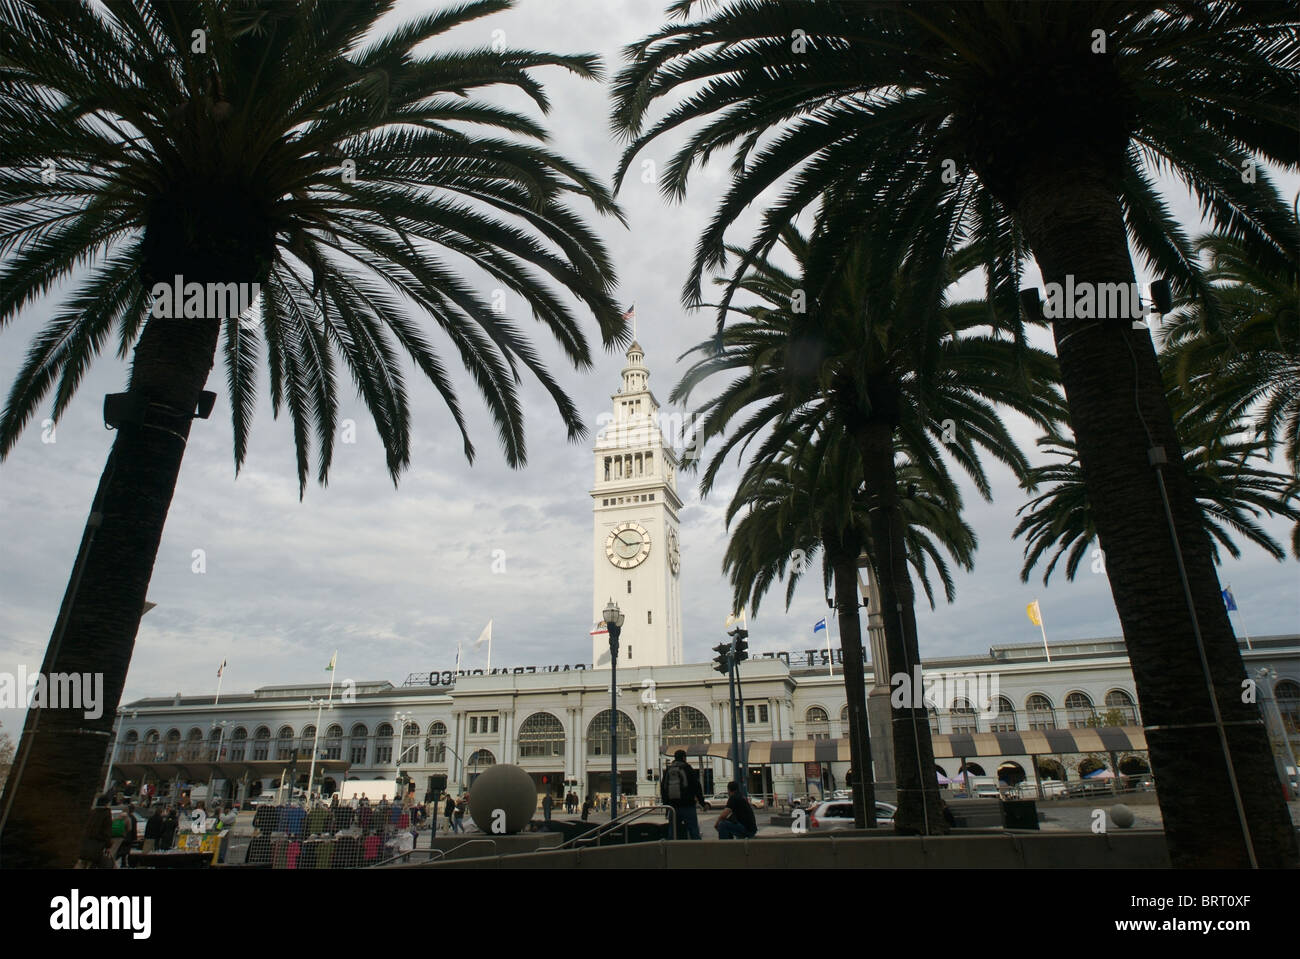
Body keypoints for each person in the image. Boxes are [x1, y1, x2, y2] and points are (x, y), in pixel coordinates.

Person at [660, 749, 706, 840]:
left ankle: (671, 851)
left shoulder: (669, 770)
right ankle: (697, 851)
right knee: (693, 831)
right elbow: (697, 786)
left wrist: (666, 807)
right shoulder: (687, 768)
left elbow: (663, 789)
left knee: (672, 832)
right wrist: (702, 803)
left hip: (673, 807)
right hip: (688, 805)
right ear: (684, 758)